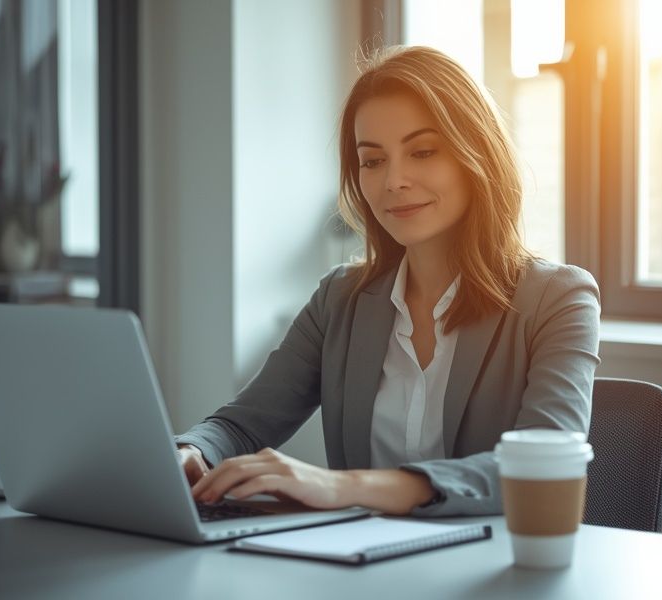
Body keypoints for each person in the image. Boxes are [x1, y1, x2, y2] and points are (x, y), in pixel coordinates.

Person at [177, 46, 600, 517]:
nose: (394, 181)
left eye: (422, 152)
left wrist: (348, 487)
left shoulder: (559, 299)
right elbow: (242, 427)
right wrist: (191, 452)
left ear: (475, 155)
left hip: (493, 574)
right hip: (362, 574)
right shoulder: (339, 299)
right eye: (373, 161)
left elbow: (544, 466)